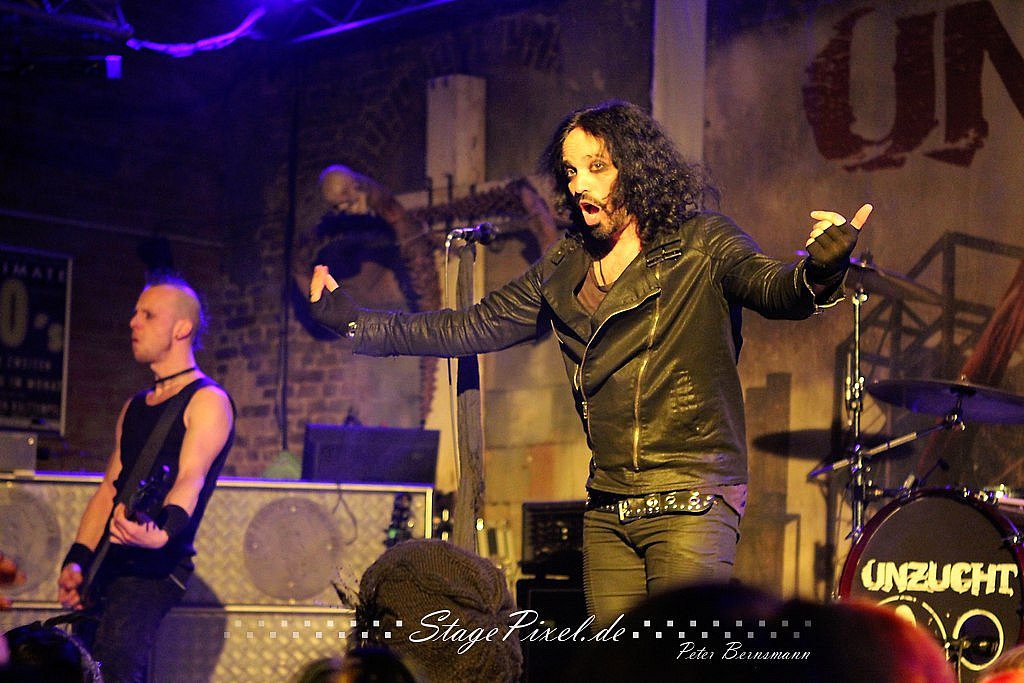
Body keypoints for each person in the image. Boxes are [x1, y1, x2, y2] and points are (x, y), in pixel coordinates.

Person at [308, 100, 871, 626]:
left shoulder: (701, 243)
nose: (579, 184)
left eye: (596, 167)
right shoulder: (564, 266)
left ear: (635, 169)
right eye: (571, 171)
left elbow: (776, 289)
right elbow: (470, 325)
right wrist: (356, 322)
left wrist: (818, 271)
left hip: (691, 498)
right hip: (608, 508)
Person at [56, 272, 235, 683]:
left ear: (181, 328)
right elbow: (109, 490)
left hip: (154, 569)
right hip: (107, 564)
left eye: (148, 315)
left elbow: (190, 477)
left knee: (114, 669)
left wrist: (163, 530)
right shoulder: (135, 406)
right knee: (81, 671)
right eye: (136, 313)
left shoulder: (207, 401)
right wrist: (78, 560)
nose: (133, 322)